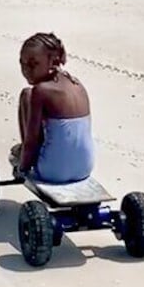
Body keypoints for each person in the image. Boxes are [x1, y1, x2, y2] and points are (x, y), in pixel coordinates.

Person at [12, 32, 95, 184]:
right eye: (22, 64)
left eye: (33, 64)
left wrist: (22, 168)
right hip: (85, 168)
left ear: (53, 61)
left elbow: (32, 140)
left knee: (26, 95)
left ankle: (25, 155)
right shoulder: (77, 84)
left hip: (53, 171)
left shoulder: (41, 91)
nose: (26, 70)